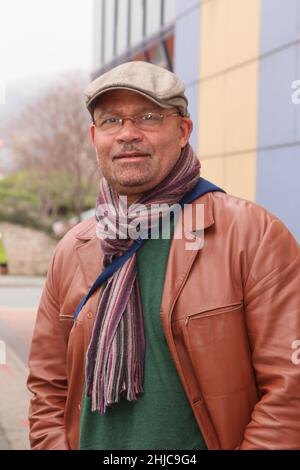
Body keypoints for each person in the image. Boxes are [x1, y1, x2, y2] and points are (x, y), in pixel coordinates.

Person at [27, 61, 300, 450]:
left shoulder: (252, 235)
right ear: (94, 136)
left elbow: (290, 392)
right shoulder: (73, 250)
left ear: (183, 130)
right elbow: (47, 389)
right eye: (111, 121)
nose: (127, 134)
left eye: (148, 117)